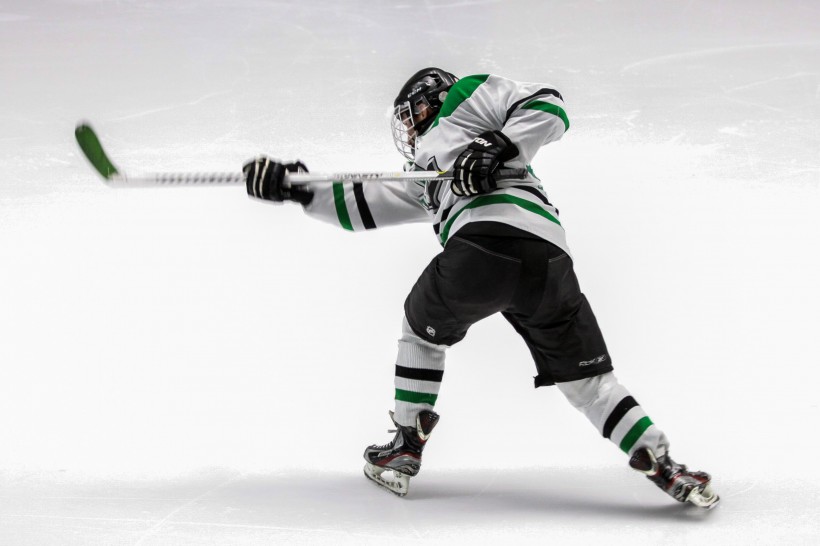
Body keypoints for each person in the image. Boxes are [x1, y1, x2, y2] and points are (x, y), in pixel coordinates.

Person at [243, 68, 719, 508]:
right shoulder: (425, 176)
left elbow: (548, 105)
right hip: (548, 261)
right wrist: (297, 187)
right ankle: (663, 463)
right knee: (589, 384)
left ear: (430, 98)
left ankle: (406, 445)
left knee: (420, 328)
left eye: (410, 114)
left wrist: (499, 143)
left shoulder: (464, 98)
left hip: (483, 248)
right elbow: (363, 205)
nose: (408, 127)